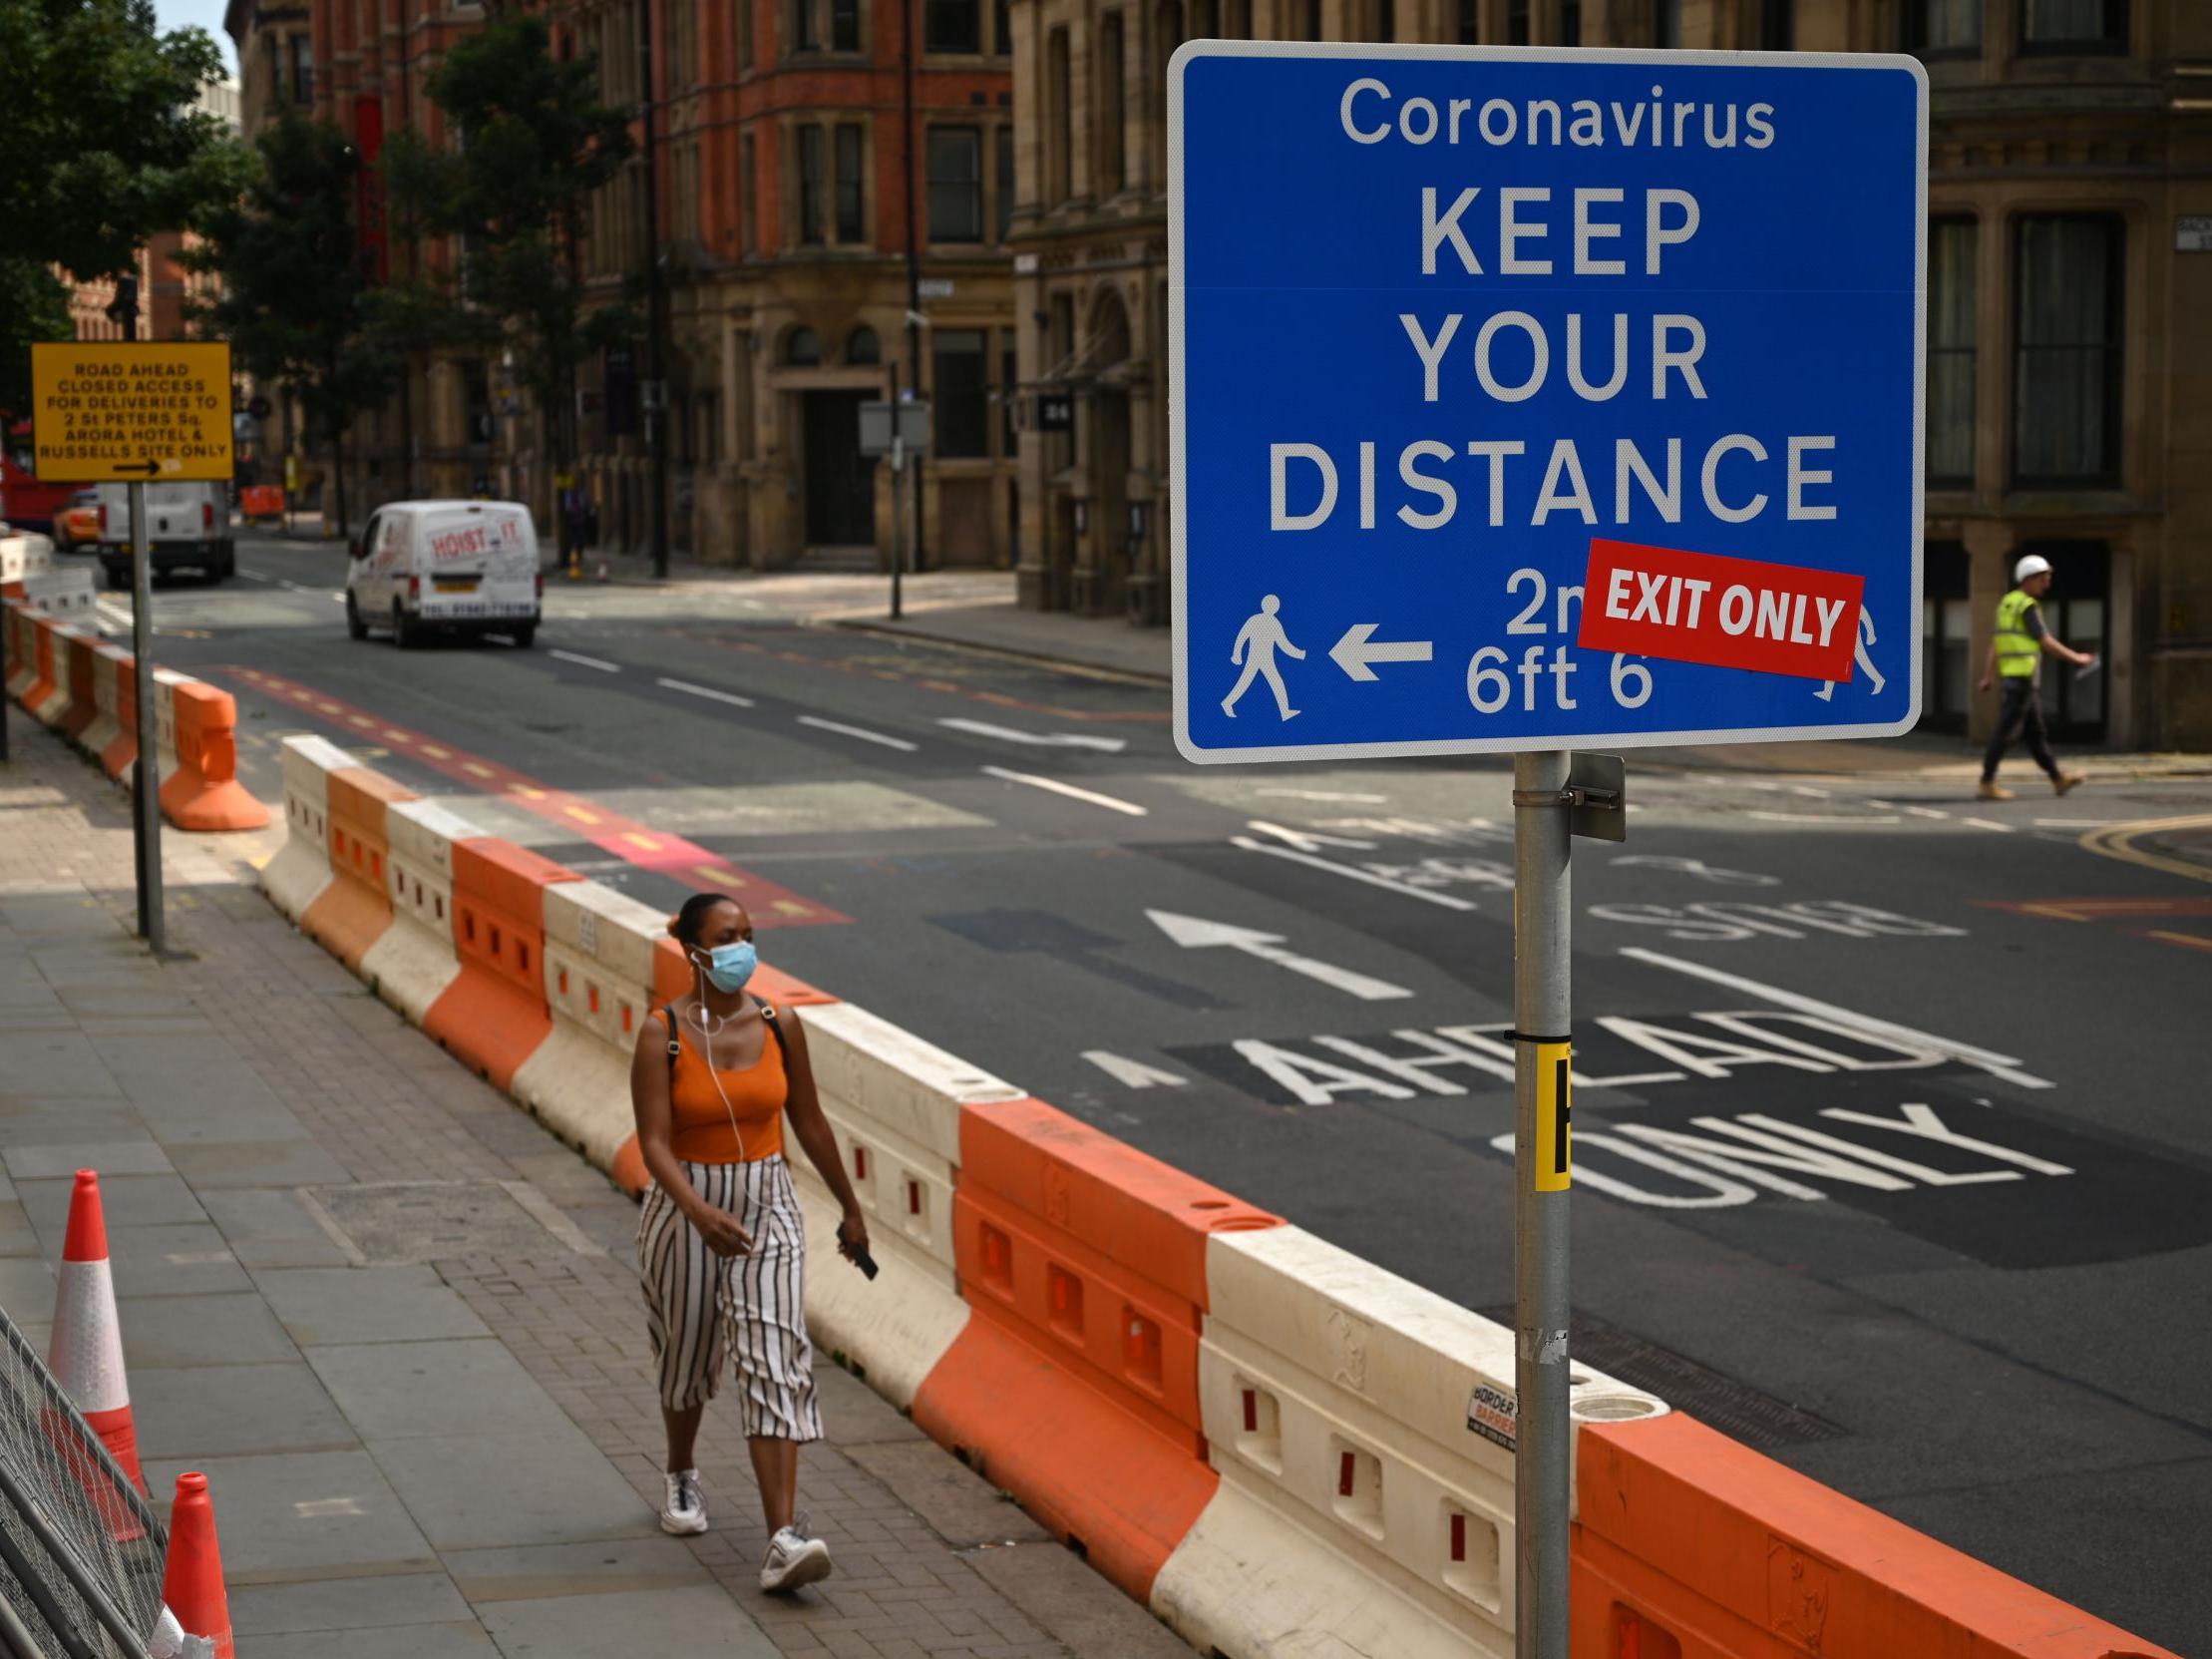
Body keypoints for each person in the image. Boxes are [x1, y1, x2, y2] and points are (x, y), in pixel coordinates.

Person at [631, 892, 871, 1592]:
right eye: (728, 935)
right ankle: (681, 1471)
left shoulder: (779, 1022)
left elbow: (811, 1120)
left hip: (768, 1202)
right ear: (693, 948)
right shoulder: (661, 1032)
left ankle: (782, 1538)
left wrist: (851, 1209)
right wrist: (698, 1211)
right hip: (687, 1206)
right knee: (686, 1350)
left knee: (774, 1353)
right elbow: (652, 1141)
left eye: (750, 934)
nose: (743, 947)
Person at [1977, 553, 2094, 801]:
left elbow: (1996, 643)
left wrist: (1988, 675)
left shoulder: (2007, 603)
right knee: (2005, 733)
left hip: (2017, 679)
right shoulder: (2027, 606)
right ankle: (1987, 782)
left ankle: (2057, 779)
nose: (2047, 583)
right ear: (2028, 579)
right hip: (2022, 681)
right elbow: (2045, 640)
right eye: (2043, 578)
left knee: (2034, 733)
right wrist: (2076, 658)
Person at [1222, 594, 1305, 720]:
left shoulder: (1270, 622)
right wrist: (1236, 654)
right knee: (1246, 682)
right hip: (1256, 659)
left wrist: (1299, 653)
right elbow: (1242, 636)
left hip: (1266, 660)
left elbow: (1283, 644)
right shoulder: (1259, 621)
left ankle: (1285, 711)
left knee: (1274, 682)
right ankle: (1227, 703)